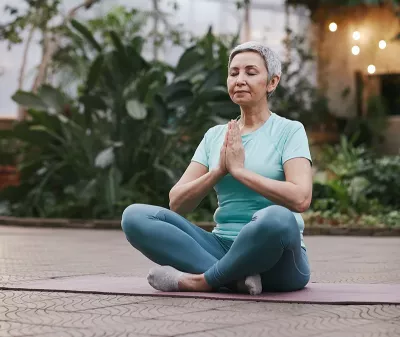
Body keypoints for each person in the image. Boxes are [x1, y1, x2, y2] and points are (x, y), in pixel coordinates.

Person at [121, 41, 313, 295]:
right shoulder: (215, 136)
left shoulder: (290, 131)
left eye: (251, 72)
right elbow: (178, 203)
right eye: (233, 73)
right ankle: (235, 278)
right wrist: (217, 172)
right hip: (222, 246)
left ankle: (199, 281)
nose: (240, 80)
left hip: (279, 259)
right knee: (135, 216)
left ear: (272, 82)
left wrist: (241, 172)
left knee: (277, 217)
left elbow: (300, 198)